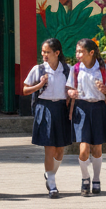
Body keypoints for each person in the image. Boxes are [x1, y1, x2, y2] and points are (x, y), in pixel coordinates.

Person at [22, 38, 71, 198]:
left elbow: (72, 88)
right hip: (45, 108)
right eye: (42, 52)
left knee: (60, 149)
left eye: (47, 52)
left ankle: (50, 174)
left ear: (57, 53)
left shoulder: (67, 70)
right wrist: (40, 84)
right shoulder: (38, 69)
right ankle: (52, 184)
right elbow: (25, 90)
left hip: (62, 109)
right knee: (49, 147)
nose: (44, 55)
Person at [66, 37, 106, 196]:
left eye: (81, 51)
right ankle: (85, 177)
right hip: (81, 108)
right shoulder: (75, 69)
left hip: (98, 108)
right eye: (77, 51)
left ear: (91, 52)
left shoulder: (103, 69)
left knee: (97, 147)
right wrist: (71, 92)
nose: (77, 54)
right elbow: (69, 88)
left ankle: (96, 179)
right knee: (84, 148)